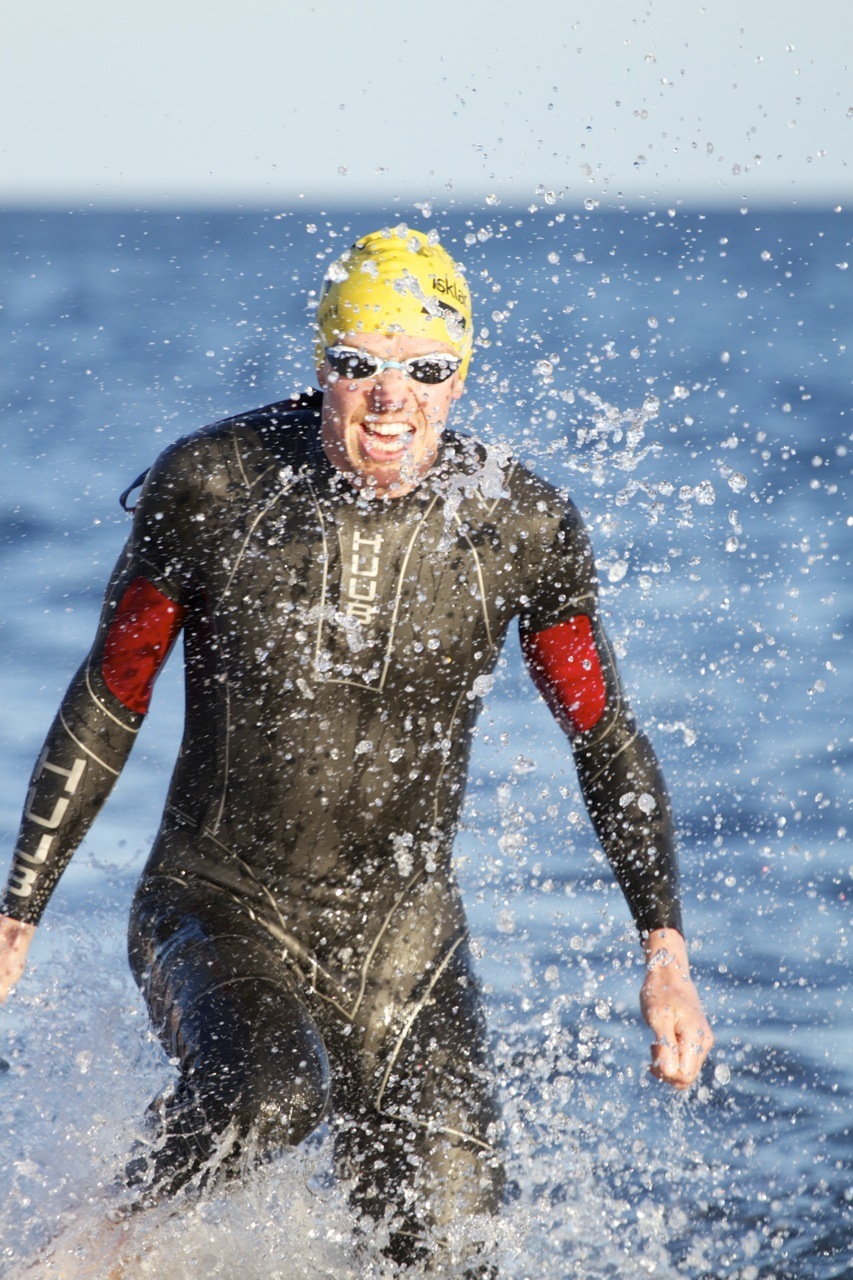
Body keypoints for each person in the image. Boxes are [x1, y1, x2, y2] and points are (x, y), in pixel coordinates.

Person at [0, 227, 712, 1272]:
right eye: (358, 364)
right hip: (219, 901)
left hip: (405, 944)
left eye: (423, 369)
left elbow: (601, 735)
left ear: (458, 379)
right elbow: (114, 690)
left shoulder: (521, 525)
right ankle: (82, 1250)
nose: (390, 398)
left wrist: (665, 957)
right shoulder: (215, 484)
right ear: (319, 367)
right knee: (268, 1096)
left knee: (452, 1249)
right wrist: (18, 910)